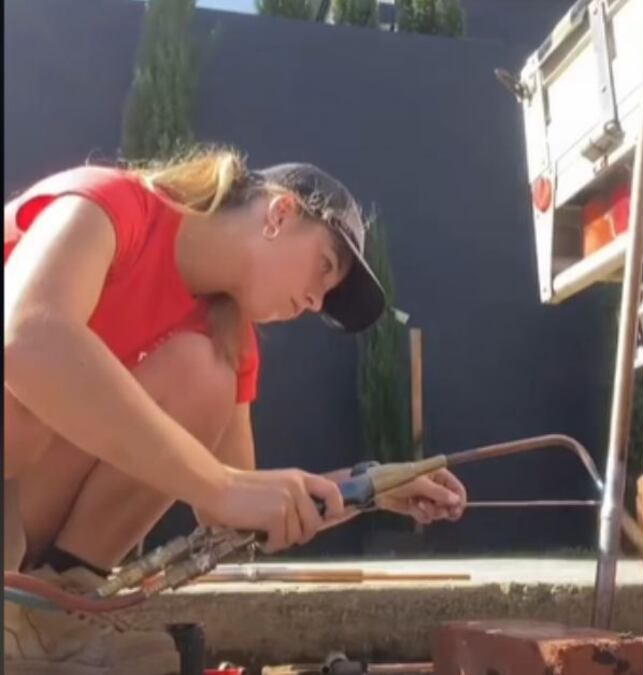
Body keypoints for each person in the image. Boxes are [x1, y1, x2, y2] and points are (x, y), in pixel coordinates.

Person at [3, 148, 468, 675]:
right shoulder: (112, 203)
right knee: (36, 380)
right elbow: (25, 337)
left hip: (24, 524)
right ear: (280, 213)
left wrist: (369, 488)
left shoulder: (226, 337)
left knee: (203, 372)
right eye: (324, 266)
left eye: (327, 296)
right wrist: (221, 486)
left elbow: (235, 506)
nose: (316, 303)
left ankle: (45, 623)